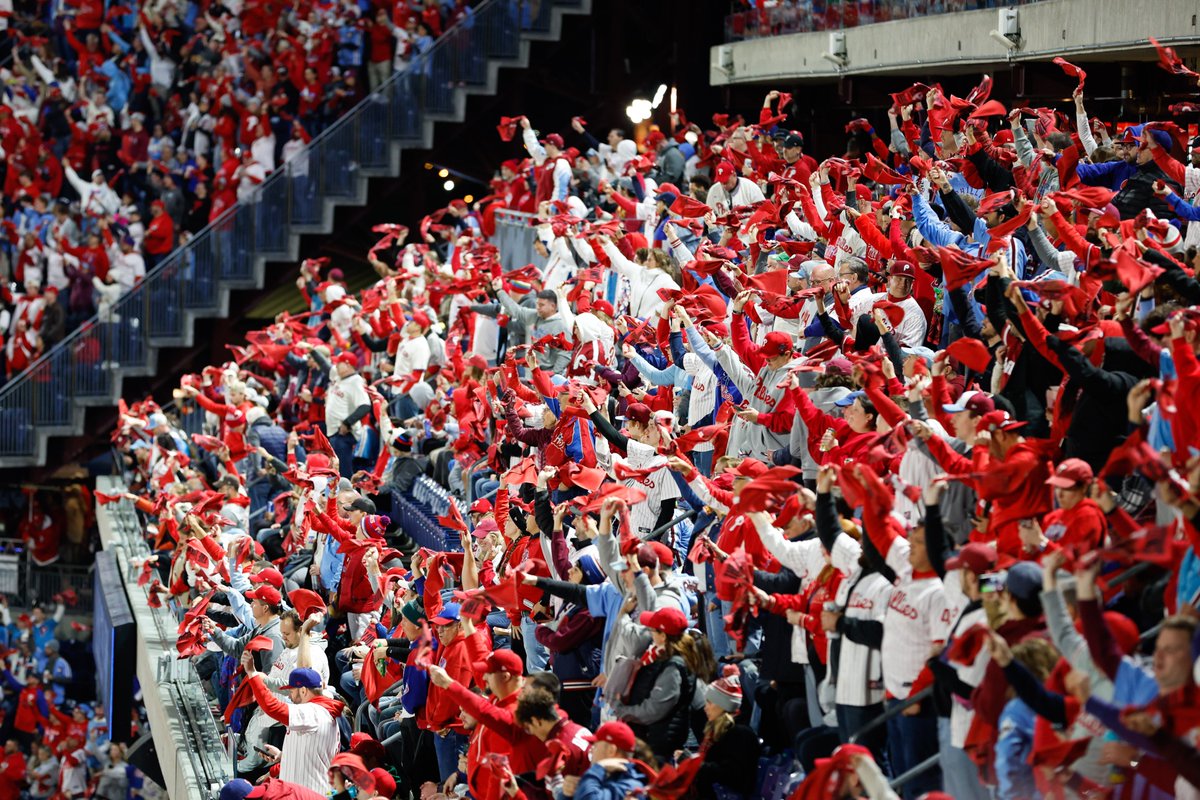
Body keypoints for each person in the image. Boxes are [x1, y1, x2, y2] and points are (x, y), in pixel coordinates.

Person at [243, 666, 344, 794]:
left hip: (310, 793)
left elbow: (272, 707)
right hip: (307, 791)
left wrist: (252, 673)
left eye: (291, 691)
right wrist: (282, 756)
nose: (289, 696)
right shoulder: (318, 712)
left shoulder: (314, 712)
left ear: (303, 691)